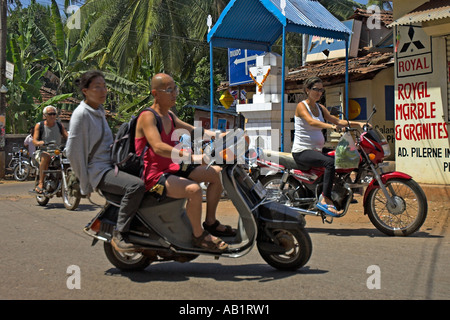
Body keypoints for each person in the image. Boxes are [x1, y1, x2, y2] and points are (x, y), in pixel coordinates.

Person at [135, 73, 235, 252]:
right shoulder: (147, 117)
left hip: (171, 168)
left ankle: (210, 222)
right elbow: (157, 147)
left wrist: (223, 135)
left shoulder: (170, 116)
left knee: (217, 173)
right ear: (155, 93)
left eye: (175, 89)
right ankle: (198, 236)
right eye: (169, 90)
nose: (174, 94)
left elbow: (196, 131)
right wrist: (191, 157)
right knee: (194, 190)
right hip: (153, 177)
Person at [66, 70, 146, 252]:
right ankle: (120, 234)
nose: (103, 91)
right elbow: (72, 152)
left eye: (104, 86)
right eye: (97, 87)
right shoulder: (81, 114)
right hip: (99, 171)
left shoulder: (99, 111)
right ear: (85, 91)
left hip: (111, 165)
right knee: (135, 186)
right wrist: (85, 183)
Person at [292, 76, 365, 216]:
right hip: (302, 151)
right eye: (316, 89)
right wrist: (332, 127)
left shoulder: (320, 107)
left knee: (342, 156)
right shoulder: (302, 106)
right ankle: (325, 198)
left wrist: (359, 124)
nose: (319, 93)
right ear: (307, 90)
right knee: (330, 163)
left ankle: (341, 190)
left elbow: (336, 120)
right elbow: (311, 122)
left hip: (316, 149)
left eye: (321, 90)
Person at [32, 106, 68, 193]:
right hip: (43, 151)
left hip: (57, 151)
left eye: (54, 114)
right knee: (46, 156)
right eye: (50, 114)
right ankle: (41, 183)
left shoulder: (59, 125)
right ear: (45, 115)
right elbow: (34, 140)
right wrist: (39, 143)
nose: (52, 116)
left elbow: (67, 136)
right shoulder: (39, 125)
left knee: (69, 159)